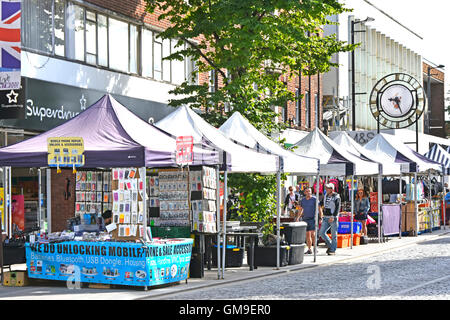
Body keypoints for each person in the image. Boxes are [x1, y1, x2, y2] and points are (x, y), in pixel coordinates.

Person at [297, 187, 322, 254]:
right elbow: (301, 209)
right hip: (305, 219)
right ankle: (309, 249)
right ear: (305, 192)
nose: (308, 193)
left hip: (313, 218)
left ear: (311, 192)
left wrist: (321, 218)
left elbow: (319, 209)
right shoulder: (303, 200)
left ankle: (315, 248)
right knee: (307, 235)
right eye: (307, 191)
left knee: (313, 234)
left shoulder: (314, 199)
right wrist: (298, 217)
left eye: (309, 191)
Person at [319, 183, 341, 255]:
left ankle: (332, 250)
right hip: (325, 217)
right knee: (321, 232)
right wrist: (320, 211)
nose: (326, 189)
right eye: (326, 188)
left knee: (333, 234)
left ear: (332, 189)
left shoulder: (336, 196)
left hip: (332, 217)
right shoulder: (325, 195)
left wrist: (333, 216)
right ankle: (330, 245)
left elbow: (337, 207)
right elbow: (321, 203)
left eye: (328, 188)